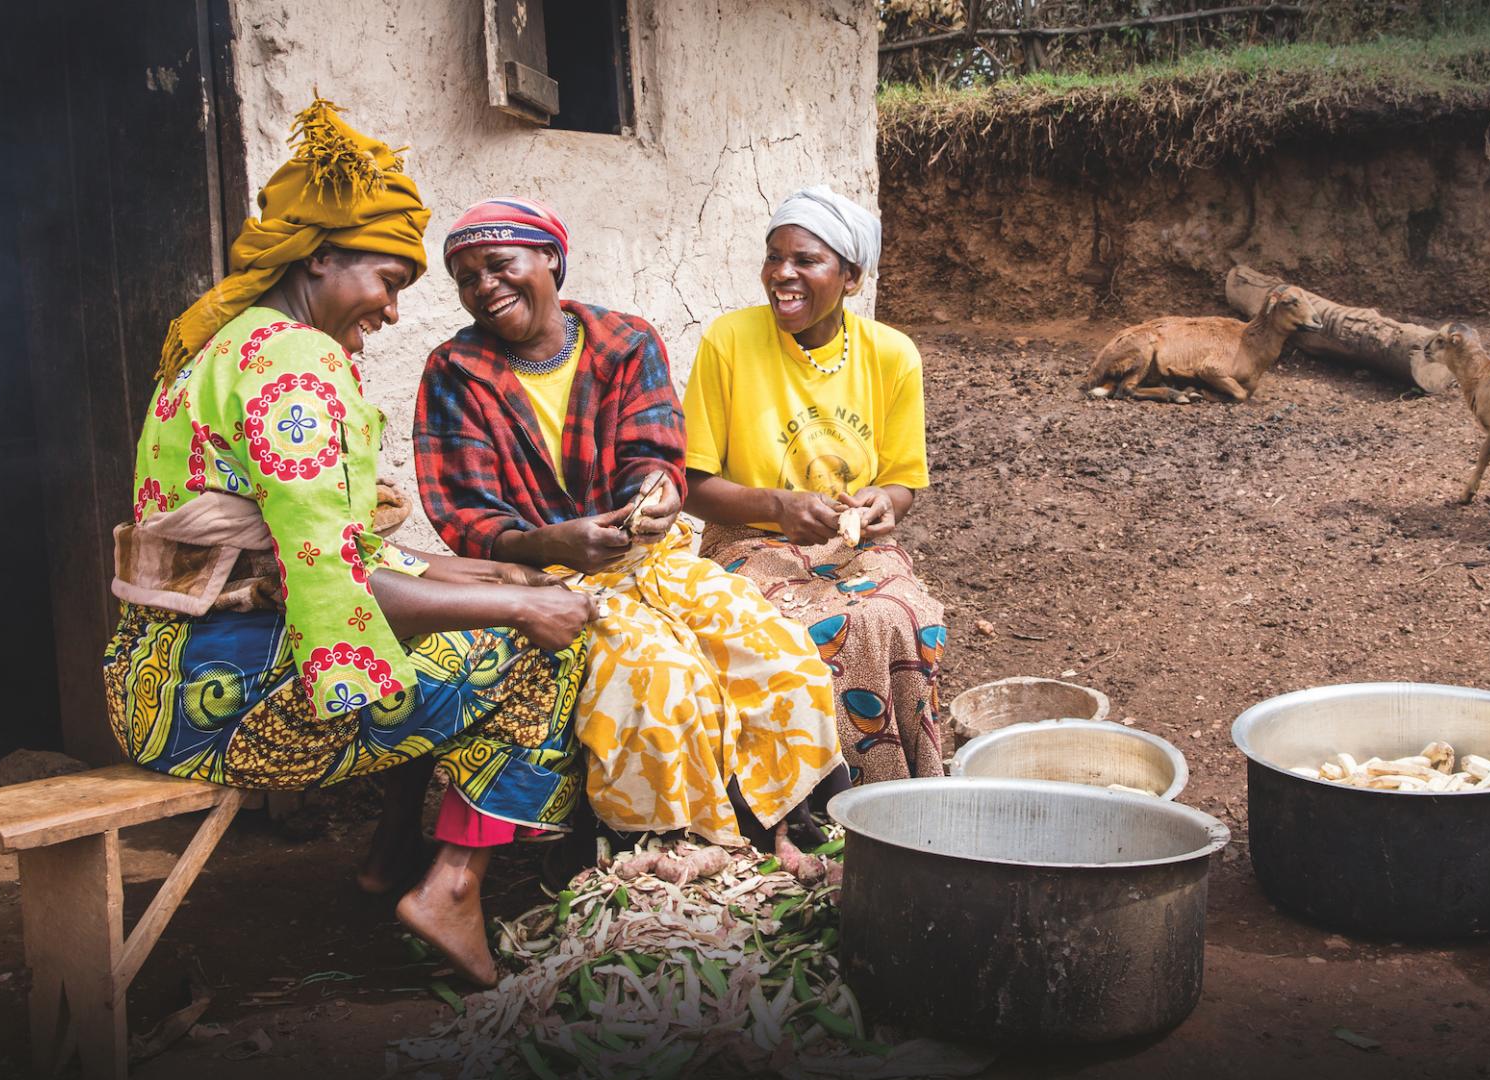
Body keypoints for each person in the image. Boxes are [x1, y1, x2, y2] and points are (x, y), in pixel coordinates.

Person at [103, 101, 595, 986]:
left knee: (467, 610)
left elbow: (307, 546)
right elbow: (336, 587)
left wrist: (480, 567)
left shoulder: (229, 343)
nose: (396, 311)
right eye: (386, 278)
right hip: (214, 705)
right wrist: (522, 600)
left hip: (154, 676)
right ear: (320, 258)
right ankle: (451, 886)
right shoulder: (298, 364)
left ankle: (389, 852)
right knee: (540, 654)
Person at [414, 197, 845, 853]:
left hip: (652, 564)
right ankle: (665, 858)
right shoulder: (456, 372)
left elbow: (656, 454)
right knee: (659, 677)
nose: (485, 288)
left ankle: (782, 837)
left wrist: (655, 494)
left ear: (549, 260)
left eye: (500, 265)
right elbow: (466, 515)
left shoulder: (626, 342)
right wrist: (550, 542)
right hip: (544, 581)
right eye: (468, 278)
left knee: (780, 658)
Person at [682, 186, 948, 783]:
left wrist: (885, 505)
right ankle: (798, 793)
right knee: (800, 629)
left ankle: (891, 784)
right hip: (743, 539)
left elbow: (902, 483)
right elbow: (691, 482)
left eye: (806, 260)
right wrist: (776, 506)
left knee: (901, 617)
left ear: (851, 277)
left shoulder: (892, 355)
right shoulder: (729, 341)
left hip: (852, 545)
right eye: (774, 257)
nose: (783, 274)